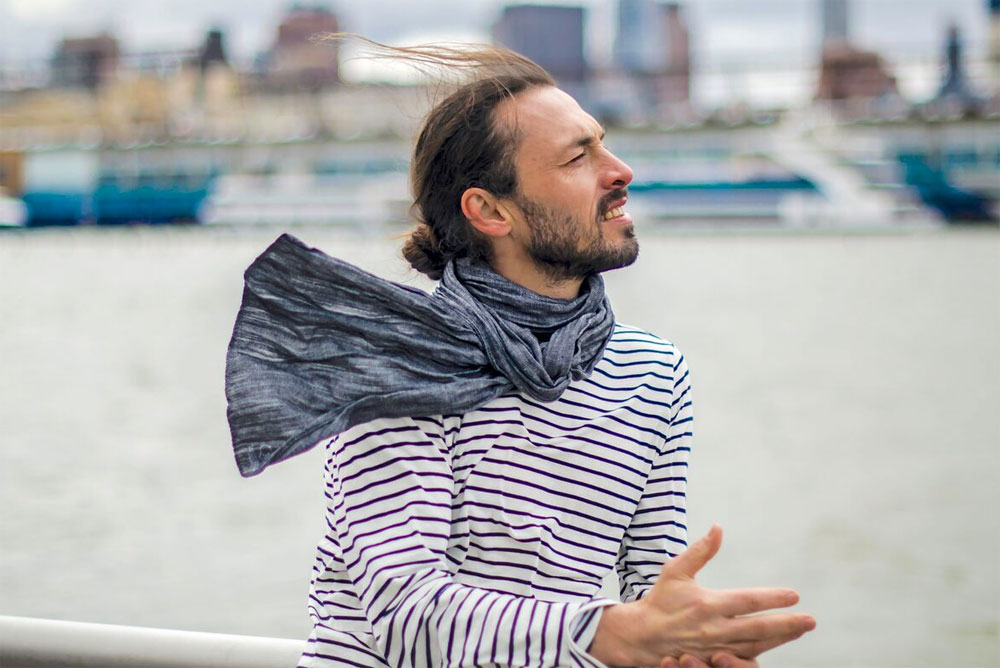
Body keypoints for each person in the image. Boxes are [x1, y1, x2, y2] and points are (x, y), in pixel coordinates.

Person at [224, 42, 815, 668]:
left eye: (603, 144)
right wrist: (610, 633)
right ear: (489, 210)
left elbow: (653, 588)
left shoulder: (653, 372)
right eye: (577, 157)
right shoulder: (400, 358)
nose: (620, 171)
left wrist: (687, 645)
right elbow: (407, 619)